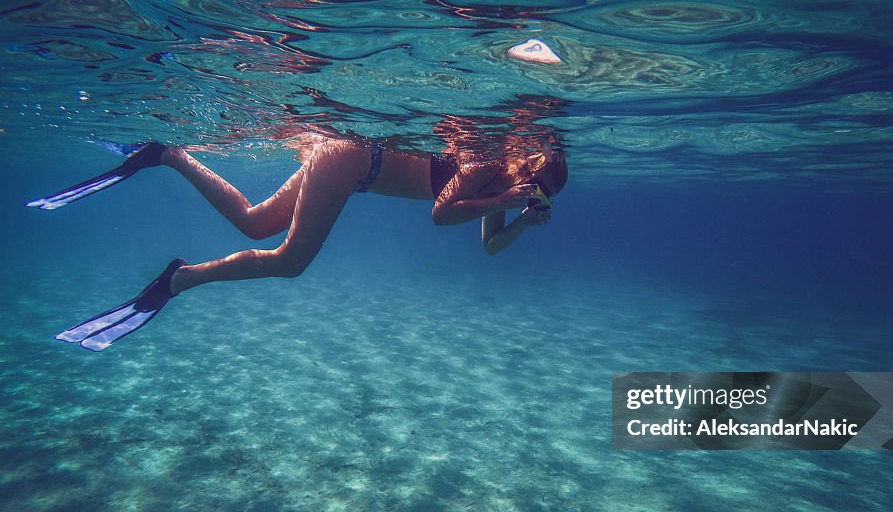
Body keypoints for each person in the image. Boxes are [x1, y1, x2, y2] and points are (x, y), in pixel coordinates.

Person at [26, 131, 569, 351]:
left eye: (538, 193)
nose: (528, 192)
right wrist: (503, 201)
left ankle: (167, 156)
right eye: (533, 184)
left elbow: (489, 247)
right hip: (352, 158)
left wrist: (520, 221)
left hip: (349, 166)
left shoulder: (502, 190)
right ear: (527, 163)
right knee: (290, 262)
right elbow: (440, 213)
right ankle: (179, 280)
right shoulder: (484, 162)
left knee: (257, 224)